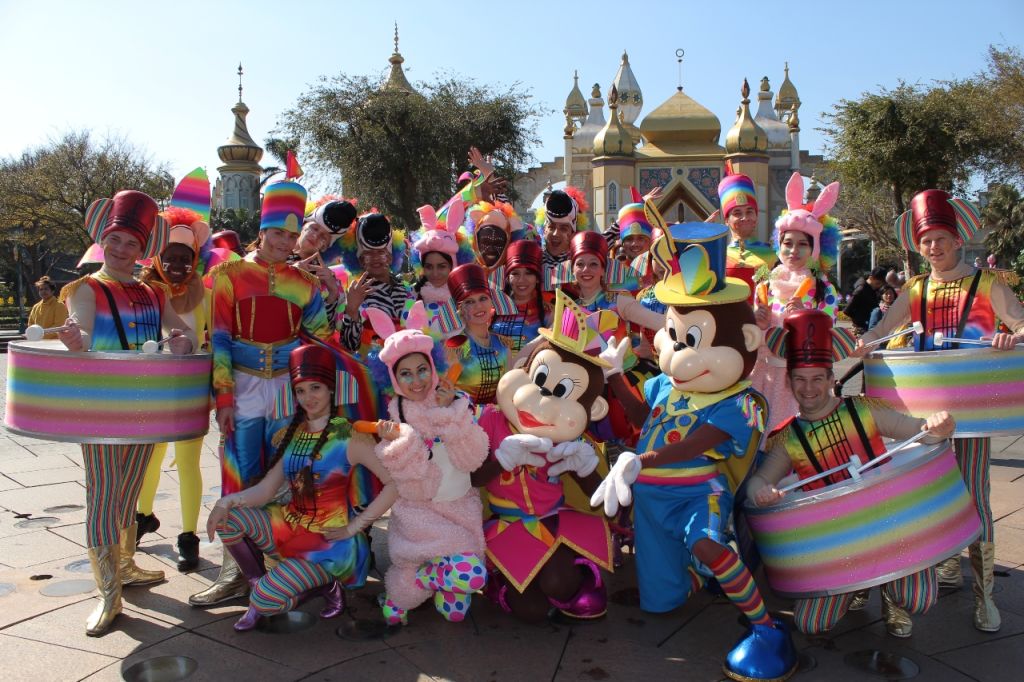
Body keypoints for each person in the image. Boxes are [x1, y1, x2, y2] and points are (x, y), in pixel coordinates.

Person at [595, 222, 797, 682]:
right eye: (674, 335)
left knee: (708, 544)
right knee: (661, 603)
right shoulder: (667, 385)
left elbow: (695, 444)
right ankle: (693, 574)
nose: (675, 354)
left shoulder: (740, 402)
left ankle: (766, 627)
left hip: (696, 493)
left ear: (747, 342)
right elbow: (641, 417)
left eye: (692, 340)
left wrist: (638, 461)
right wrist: (614, 377)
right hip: (650, 501)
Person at [858, 189, 1024, 633]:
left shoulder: (988, 284)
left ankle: (985, 596)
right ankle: (946, 565)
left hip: (975, 412)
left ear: (957, 240)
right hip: (923, 414)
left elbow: (1022, 324)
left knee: (975, 495)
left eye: (940, 239)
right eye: (926, 240)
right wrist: (861, 342)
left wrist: (1010, 336)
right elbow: (881, 330)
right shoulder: (915, 289)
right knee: (926, 491)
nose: (933, 247)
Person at [747, 309, 951, 637]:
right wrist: (759, 491)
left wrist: (940, 425)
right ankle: (859, 584)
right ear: (788, 381)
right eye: (800, 379)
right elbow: (759, 480)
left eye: (817, 378)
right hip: (838, 544)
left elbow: (921, 432)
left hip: (890, 527)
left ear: (831, 380)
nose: (808, 388)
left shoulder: (863, 409)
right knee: (811, 624)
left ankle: (890, 592)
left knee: (918, 599)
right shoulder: (787, 437)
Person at [58, 190, 197, 636]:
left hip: (144, 408)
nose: (121, 249)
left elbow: (182, 332)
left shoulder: (154, 292)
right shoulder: (86, 288)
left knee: (131, 489)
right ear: (103, 240)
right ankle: (107, 592)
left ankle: (125, 563)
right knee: (103, 494)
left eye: (131, 243)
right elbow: (80, 331)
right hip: (100, 409)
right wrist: (75, 341)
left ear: (143, 249)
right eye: (115, 240)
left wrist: (183, 342)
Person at [191, 180, 334, 608]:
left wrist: (336, 294)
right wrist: (224, 398)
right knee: (237, 474)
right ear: (262, 230)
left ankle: (283, 567)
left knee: (286, 474)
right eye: (277, 234)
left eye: (291, 235)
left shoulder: (304, 284)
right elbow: (219, 339)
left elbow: (320, 339)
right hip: (244, 386)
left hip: (287, 392)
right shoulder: (229, 276)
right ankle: (235, 572)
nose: (285, 243)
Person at [205, 344, 396, 631]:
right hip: (289, 527)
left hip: (328, 545)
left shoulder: (350, 436)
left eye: (315, 388)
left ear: (331, 389)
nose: (308, 397)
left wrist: (355, 527)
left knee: (267, 601)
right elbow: (266, 490)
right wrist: (226, 502)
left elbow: (394, 484)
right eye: (301, 390)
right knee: (227, 519)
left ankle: (320, 587)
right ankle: (259, 584)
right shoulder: (293, 433)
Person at [473, 290, 614, 622]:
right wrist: (501, 461)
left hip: (552, 520)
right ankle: (500, 580)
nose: (542, 401)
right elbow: (470, 478)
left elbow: (600, 499)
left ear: (592, 409)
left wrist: (588, 468)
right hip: (504, 524)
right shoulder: (490, 420)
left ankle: (573, 571)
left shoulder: (569, 439)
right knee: (532, 611)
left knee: (560, 585)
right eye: (539, 378)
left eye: (562, 392)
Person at [367, 301, 490, 625]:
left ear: (433, 367)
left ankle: (428, 580)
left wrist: (449, 414)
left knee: (456, 613)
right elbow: (413, 486)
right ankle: (417, 581)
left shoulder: (456, 400)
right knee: (472, 576)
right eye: (405, 374)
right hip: (420, 515)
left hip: (460, 509)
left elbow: (474, 457)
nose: (417, 381)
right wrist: (400, 442)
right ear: (393, 379)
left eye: (422, 370)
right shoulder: (396, 415)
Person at [135, 202, 212, 571]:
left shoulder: (206, 296)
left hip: (189, 393)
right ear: (157, 258)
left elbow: (216, 339)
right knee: (149, 459)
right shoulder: (142, 293)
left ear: (195, 258)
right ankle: (143, 516)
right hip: (151, 392)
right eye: (170, 257)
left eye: (186, 258)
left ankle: (188, 536)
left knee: (188, 463)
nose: (178, 265)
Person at [751, 172, 841, 431]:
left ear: (815, 248)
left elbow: (829, 328)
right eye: (787, 243)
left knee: (800, 436)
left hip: (804, 381)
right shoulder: (765, 283)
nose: (793, 250)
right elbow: (753, 333)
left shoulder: (823, 287)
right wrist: (757, 322)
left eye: (802, 244)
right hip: (765, 376)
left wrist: (807, 317)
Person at [337, 213, 415, 355]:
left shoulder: (408, 289)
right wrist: (352, 310)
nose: (375, 258)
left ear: (390, 257)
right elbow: (349, 346)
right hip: (375, 365)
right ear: (360, 260)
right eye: (368, 254)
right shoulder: (355, 293)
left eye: (381, 252)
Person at [443, 263, 517, 405]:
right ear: (460, 310)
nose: (478, 306)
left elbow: (508, 391)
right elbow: (445, 394)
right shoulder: (457, 347)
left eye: (483, 298)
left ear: (491, 302)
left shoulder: (503, 343)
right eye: (470, 302)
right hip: (463, 415)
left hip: (498, 415)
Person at [720, 172, 778, 303]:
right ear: (727, 220)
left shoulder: (774, 253)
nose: (745, 217)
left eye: (749, 212)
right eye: (737, 213)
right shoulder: (719, 256)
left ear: (756, 216)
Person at [502, 240, 551, 351]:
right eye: (515, 273)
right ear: (508, 278)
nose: (521, 280)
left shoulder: (549, 313)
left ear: (537, 278)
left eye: (528, 273)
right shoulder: (494, 309)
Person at [535, 187, 589, 270]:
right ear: (544, 229)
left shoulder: (581, 265)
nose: (555, 234)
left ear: (573, 233)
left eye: (563, 229)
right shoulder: (532, 262)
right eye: (551, 227)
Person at [843, 266, 887, 333]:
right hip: (863, 325)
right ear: (871, 278)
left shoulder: (873, 288)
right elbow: (847, 309)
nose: (879, 286)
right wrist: (858, 321)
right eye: (877, 283)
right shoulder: (861, 290)